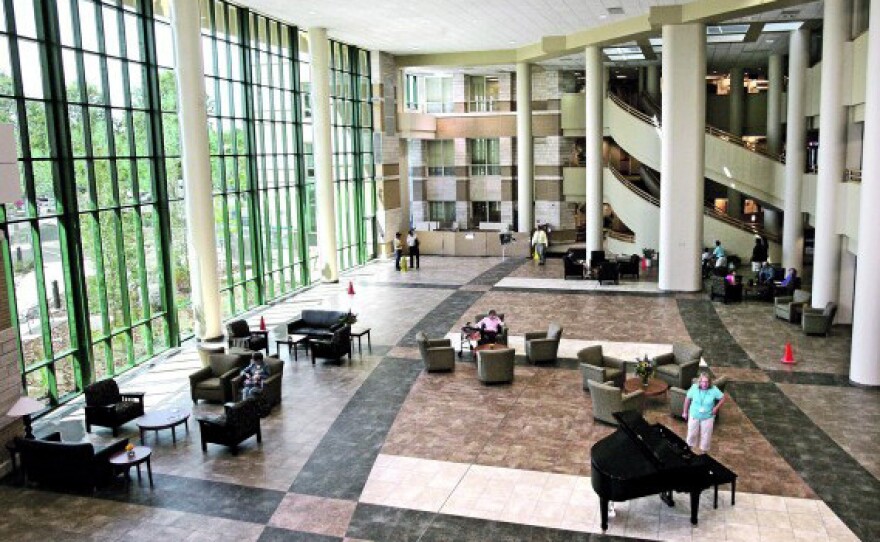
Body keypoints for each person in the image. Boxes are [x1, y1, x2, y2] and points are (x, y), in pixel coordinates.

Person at [682, 372, 726, 453]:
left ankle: (703, 452)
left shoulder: (714, 389)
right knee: (691, 433)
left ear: (709, 382)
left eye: (707, 382)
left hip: (708, 417)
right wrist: (685, 412)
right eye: (703, 382)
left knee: (706, 436)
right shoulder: (694, 387)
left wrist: (716, 408)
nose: (705, 384)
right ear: (700, 381)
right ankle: (689, 450)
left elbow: (723, 398)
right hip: (694, 415)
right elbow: (687, 399)